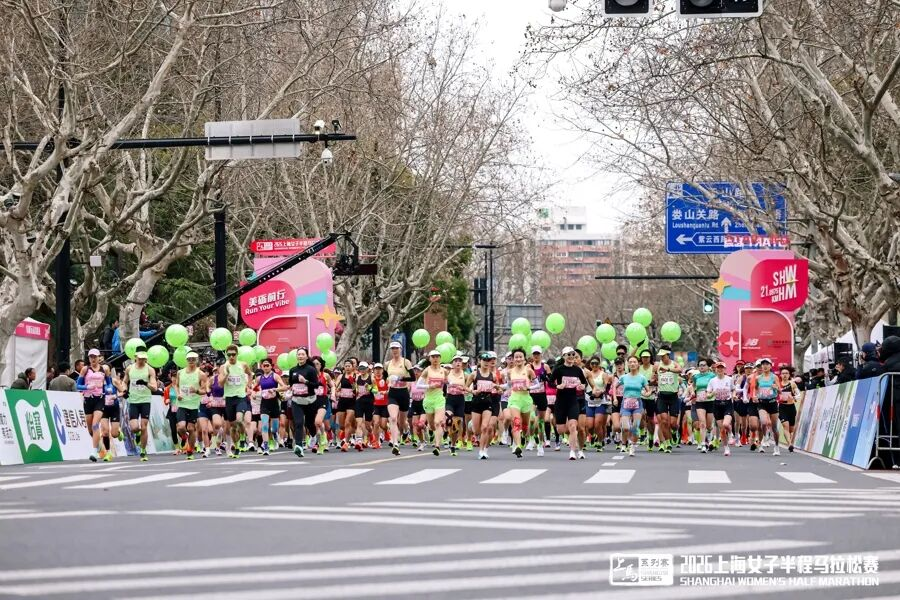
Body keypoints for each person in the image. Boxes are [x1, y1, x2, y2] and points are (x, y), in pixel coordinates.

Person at [119, 350, 158, 461]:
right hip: (133, 401)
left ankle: (143, 451)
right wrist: (124, 390)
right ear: (135, 357)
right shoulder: (129, 368)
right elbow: (124, 382)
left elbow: (154, 387)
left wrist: (145, 383)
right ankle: (137, 434)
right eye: (139, 358)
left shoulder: (150, 370)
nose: (141, 360)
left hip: (145, 400)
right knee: (134, 427)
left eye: (143, 358)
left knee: (144, 426)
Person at [551, 346, 588, 460]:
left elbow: (584, 383)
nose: (571, 357)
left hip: (573, 401)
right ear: (564, 356)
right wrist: (558, 386)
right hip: (561, 402)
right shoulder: (559, 369)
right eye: (569, 354)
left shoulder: (577, 370)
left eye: (573, 354)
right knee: (561, 430)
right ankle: (571, 439)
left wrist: (582, 386)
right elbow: (550, 382)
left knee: (573, 426)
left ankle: (573, 451)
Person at [218, 344, 254, 458]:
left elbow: (250, 374)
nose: (231, 357)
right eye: (229, 355)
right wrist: (227, 374)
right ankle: (237, 446)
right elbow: (220, 384)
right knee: (233, 426)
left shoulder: (243, 364)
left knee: (239, 419)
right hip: (229, 398)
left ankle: (243, 438)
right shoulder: (223, 367)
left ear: (237, 354)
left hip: (241, 397)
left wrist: (249, 385)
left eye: (233, 354)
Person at [172, 352, 208, 460]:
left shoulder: (201, 374)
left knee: (191, 428)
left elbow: (204, 390)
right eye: (189, 359)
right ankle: (184, 436)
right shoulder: (180, 372)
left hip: (193, 405)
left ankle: (190, 451)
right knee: (181, 427)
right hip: (182, 403)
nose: (191, 361)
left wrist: (196, 391)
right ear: (186, 360)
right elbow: (176, 385)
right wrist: (178, 394)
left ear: (197, 360)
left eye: (193, 359)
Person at [77, 350, 110, 462]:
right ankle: (100, 448)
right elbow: (78, 385)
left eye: (95, 357)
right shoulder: (85, 369)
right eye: (91, 357)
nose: (93, 359)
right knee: (91, 429)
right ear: (89, 358)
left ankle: (94, 452)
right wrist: (87, 387)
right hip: (88, 400)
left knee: (95, 425)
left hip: (99, 399)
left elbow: (109, 383)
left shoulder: (104, 369)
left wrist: (109, 389)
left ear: (99, 357)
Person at [287, 347, 320, 458]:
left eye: (302, 354)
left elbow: (316, 385)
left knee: (309, 423)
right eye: (299, 354)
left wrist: (305, 381)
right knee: (299, 423)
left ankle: (314, 436)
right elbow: (291, 384)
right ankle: (299, 446)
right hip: (297, 400)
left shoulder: (311, 370)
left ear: (306, 356)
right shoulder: (292, 370)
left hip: (310, 400)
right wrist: (288, 391)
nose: (300, 356)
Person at [385, 341, 415, 456]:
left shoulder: (405, 362)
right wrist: (388, 381)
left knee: (401, 422)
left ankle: (405, 431)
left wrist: (400, 378)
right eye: (393, 348)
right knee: (393, 418)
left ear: (400, 349)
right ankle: (395, 444)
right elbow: (384, 377)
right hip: (393, 393)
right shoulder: (387, 364)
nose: (395, 350)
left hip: (403, 393)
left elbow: (413, 377)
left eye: (396, 348)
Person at [506, 348, 536, 458]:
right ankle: (518, 446)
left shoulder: (529, 371)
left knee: (525, 426)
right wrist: (499, 387)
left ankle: (523, 436)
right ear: (513, 359)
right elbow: (508, 385)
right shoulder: (510, 372)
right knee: (516, 422)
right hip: (514, 399)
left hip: (526, 399)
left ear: (524, 359)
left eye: (520, 357)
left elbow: (537, 384)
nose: (518, 359)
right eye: (516, 357)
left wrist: (529, 388)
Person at [469, 353, 500, 459]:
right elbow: (465, 387)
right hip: (476, 402)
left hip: (488, 402)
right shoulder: (474, 374)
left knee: (485, 427)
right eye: (484, 360)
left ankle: (482, 451)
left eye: (488, 361)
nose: (487, 363)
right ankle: (471, 426)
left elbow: (498, 388)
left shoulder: (493, 375)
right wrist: (473, 391)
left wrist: (499, 389)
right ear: (480, 361)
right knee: (477, 431)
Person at [619, 356, 650, 456]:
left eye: (634, 362)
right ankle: (624, 443)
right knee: (626, 427)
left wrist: (646, 394)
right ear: (628, 364)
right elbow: (614, 387)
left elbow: (648, 390)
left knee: (635, 427)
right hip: (626, 404)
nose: (632, 364)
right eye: (630, 362)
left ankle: (632, 446)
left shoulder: (642, 378)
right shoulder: (623, 377)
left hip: (637, 404)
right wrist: (614, 397)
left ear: (638, 364)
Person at [256, 358, 287, 455]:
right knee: (264, 425)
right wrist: (252, 392)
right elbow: (253, 388)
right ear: (261, 367)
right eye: (264, 366)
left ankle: (274, 434)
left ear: (271, 366)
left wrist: (274, 389)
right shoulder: (259, 378)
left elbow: (284, 387)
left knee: (274, 428)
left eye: (267, 365)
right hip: (264, 404)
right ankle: (266, 447)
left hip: (274, 403)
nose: (265, 367)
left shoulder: (275, 376)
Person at [419, 349, 447, 456]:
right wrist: (429, 386)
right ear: (430, 359)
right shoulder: (427, 370)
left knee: (437, 422)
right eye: (433, 357)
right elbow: (418, 385)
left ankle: (437, 446)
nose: (435, 359)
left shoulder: (444, 371)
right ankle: (433, 433)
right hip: (428, 400)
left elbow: (449, 381)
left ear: (440, 358)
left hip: (439, 399)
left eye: (437, 357)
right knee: (432, 425)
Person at [752, 358, 780, 455]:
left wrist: (776, 388)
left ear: (770, 366)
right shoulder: (758, 378)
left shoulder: (774, 377)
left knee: (774, 427)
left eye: (767, 364)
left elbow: (780, 390)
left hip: (772, 402)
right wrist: (755, 396)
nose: (765, 366)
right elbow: (755, 388)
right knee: (763, 422)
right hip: (762, 403)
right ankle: (763, 438)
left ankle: (776, 447)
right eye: (763, 364)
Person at [655, 349, 681, 453]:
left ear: (668, 355)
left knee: (673, 423)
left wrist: (668, 369)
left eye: (664, 356)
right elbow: (653, 377)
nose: (662, 358)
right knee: (664, 421)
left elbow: (680, 370)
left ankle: (674, 432)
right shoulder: (657, 365)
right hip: (662, 396)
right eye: (660, 356)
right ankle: (667, 443)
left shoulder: (674, 364)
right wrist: (653, 380)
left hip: (673, 396)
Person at [707, 361, 735, 457]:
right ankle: (726, 448)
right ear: (715, 369)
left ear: (725, 369)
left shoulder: (729, 379)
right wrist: (712, 394)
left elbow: (733, 389)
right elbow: (708, 395)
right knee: (722, 429)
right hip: (717, 405)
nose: (720, 369)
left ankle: (731, 433)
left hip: (727, 404)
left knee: (726, 424)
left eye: (722, 368)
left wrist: (734, 395)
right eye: (718, 368)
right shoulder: (712, 381)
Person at [690, 359, 715, 453]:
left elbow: (715, 386)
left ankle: (709, 435)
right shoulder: (696, 376)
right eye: (700, 365)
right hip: (700, 402)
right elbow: (693, 386)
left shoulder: (712, 376)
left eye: (704, 365)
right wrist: (693, 392)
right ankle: (703, 444)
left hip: (710, 401)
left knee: (709, 426)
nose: (702, 367)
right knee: (702, 423)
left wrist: (711, 394)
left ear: (708, 367)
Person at [445, 356, 467, 456]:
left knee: (456, 425)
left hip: (460, 400)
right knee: (448, 418)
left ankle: (453, 445)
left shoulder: (465, 375)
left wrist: (470, 391)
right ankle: (446, 432)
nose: (458, 363)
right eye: (456, 361)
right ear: (452, 363)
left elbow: (468, 385)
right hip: (450, 398)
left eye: (460, 361)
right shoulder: (447, 373)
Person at [777, 366, 801, 453]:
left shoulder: (792, 384)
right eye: (783, 373)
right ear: (780, 375)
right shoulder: (777, 384)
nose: (784, 375)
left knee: (791, 429)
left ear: (789, 375)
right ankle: (790, 444)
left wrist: (794, 397)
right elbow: (773, 395)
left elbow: (799, 394)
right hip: (782, 407)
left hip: (791, 408)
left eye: (786, 373)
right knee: (785, 426)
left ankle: (789, 440)